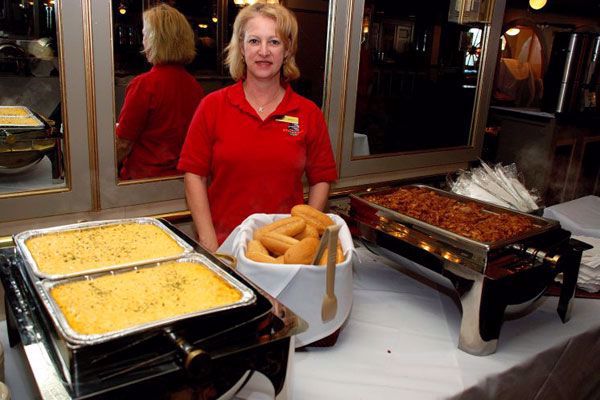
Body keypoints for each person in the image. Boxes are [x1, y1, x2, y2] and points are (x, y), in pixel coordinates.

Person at [178, 2, 337, 252]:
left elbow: (322, 179)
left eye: (274, 42)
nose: (263, 51)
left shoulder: (308, 113)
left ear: (287, 50)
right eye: (254, 41)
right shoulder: (212, 106)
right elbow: (193, 176)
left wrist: (305, 236)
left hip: (283, 251)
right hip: (225, 246)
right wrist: (210, 243)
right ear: (241, 48)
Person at [116, 3, 204, 180]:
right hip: (180, 181)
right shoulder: (195, 87)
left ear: (157, 39)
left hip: (142, 183)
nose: (142, 41)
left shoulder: (144, 85)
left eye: (145, 35)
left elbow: (123, 143)